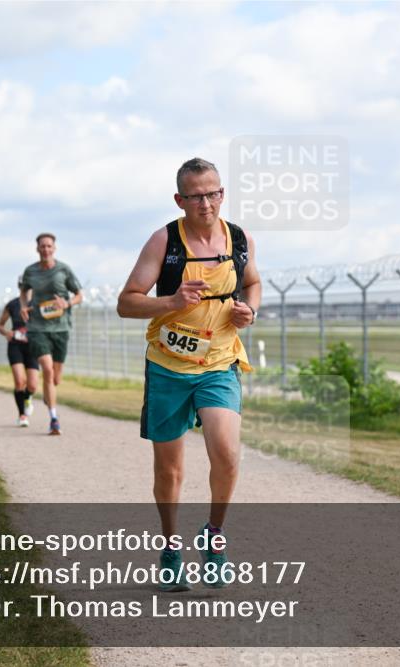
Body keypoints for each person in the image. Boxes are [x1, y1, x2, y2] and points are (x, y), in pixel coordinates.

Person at [117, 157, 261, 591]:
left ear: (223, 193)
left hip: (219, 363)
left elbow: (252, 282)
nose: (206, 203)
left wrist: (248, 310)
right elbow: (127, 302)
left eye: (214, 192)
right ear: (180, 199)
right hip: (168, 367)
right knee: (169, 472)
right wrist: (170, 302)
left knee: (227, 453)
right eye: (196, 195)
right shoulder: (164, 241)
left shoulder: (239, 238)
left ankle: (214, 538)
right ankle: (170, 549)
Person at [19, 234, 84, 435]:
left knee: (55, 378)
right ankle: (54, 419)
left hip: (61, 328)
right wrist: (23, 306)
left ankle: (45, 395)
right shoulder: (30, 271)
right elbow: (23, 292)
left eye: (49, 246)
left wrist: (67, 303)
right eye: (42, 246)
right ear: (37, 249)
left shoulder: (63, 270)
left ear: (54, 248)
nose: (46, 249)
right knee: (46, 369)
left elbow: (79, 295)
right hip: (38, 328)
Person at [0, 276, 39, 427]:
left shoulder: (37, 304)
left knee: (32, 385)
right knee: (20, 381)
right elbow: (0, 325)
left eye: (29, 286)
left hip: (32, 347)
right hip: (15, 346)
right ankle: (22, 415)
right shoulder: (12, 305)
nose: (26, 289)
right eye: (24, 286)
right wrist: (7, 333)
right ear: (20, 286)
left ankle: (27, 397)